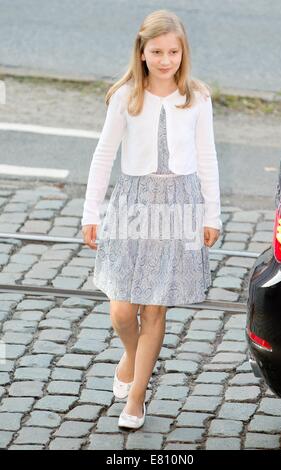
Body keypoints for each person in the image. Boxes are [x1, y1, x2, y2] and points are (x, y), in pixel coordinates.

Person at [81, 9, 222, 429]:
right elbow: (104, 155)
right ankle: (131, 356)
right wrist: (92, 211)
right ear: (141, 53)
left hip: (179, 205)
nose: (165, 60)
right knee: (123, 308)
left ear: (184, 53)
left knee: (155, 307)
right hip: (132, 204)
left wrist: (210, 213)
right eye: (157, 51)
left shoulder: (197, 97)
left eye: (173, 52)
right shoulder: (125, 95)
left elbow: (208, 157)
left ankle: (136, 398)